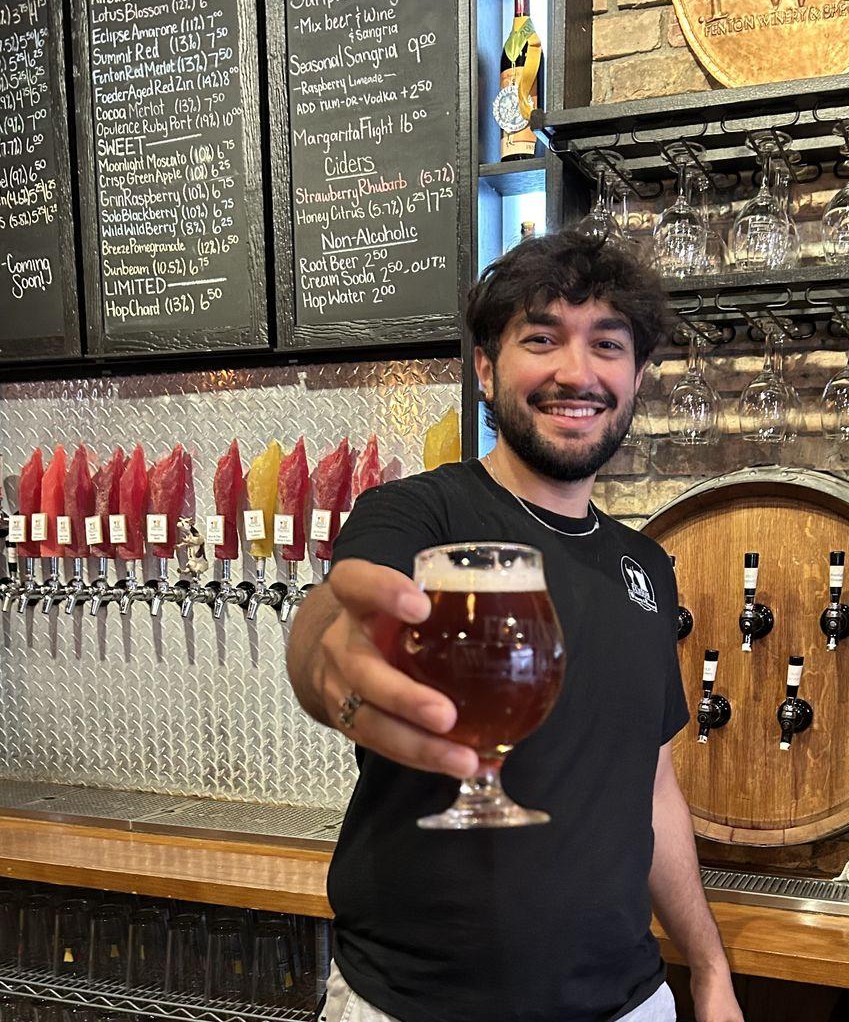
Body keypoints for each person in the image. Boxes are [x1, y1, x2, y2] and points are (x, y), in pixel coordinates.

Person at [286, 231, 743, 1022]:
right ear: (488, 370)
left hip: (628, 1004)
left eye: (607, 345)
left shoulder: (646, 567)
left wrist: (707, 968)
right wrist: (321, 662)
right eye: (542, 339)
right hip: (413, 1006)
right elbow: (338, 614)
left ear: (636, 379)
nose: (577, 371)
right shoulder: (419, 512)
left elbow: (652, 785)